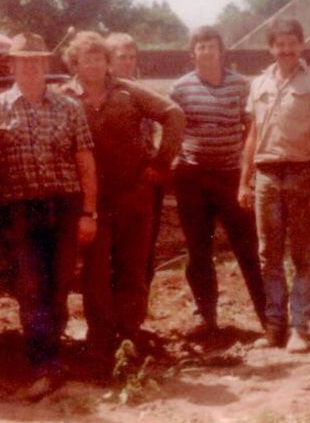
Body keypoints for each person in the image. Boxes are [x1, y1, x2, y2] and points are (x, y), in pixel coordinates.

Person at [0, 32, 98, 398]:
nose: (31, 67)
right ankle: (43, 365)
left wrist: (88, 212)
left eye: (36, 60)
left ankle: (54, 354)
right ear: (12, 66)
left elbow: (85, 163)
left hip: (64, 207)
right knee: (31, 288)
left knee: (60, 285)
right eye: (23, 61)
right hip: (22, 211)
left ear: (45, 64)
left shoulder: (69, 107)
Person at [60, 31, 184, 367]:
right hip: (92, 202)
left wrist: (160, 163)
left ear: (107, 62)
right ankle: (100, 343)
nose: (94, 65)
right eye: (86, 59)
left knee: (132, 270)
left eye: (99, 58)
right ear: (74, 64)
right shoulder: (64, 98)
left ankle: (128, 338)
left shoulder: (128, 92)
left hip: (133, 197)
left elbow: (174, 114)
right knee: (96, 274)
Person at [239, 18, 310, 353]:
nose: (286, 50)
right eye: (280, 44)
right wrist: (244, 181)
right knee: (268, 254)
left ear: (302, 45)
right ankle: (275, 326)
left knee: (301, 254)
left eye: (292, 43)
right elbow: (252, 136)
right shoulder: (258, 84)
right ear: (271, 48)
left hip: (302, 174)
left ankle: (299, 328)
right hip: (266, 175)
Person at [170, 26, 267, 338]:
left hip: (231, 177)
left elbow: (252, 130)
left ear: (221, 51)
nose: (207, 52)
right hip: (193, 179)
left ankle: (270, 318)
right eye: (201, 47)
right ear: (192, 53)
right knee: (198, 251)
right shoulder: (180, 89)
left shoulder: (240, 86)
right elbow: (172, 129)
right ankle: (205, 318)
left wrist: (247, 174)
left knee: (248, 248)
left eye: (212, 46)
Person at [105, 32, 165, 287]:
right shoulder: (101, 92)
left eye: (132, 57)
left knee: (145, 247)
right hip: (112, 182)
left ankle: (140, 303)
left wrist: (158, 163)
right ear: (108, 60)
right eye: (122, 57)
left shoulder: (144, 92)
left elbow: (162, 126)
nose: (128, 62)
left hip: (144, 179)